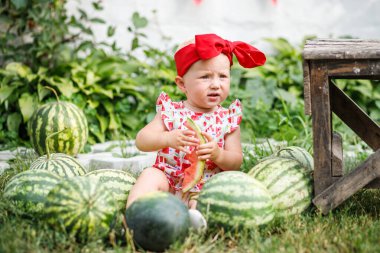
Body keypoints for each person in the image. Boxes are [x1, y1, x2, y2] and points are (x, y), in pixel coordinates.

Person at [126, 33, 266, 230]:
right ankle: (134, 216)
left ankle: (194, 220)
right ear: (182, 84)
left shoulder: (228, 118)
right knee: (150, 175)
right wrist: (167, 138)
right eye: (205, 77)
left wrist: (218, 154)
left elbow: (236, 161)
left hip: (206, 182)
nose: (216, 84)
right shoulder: (171, 112)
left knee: (209, 197)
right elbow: (142, 140)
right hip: (168, 179)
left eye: (223, 76)